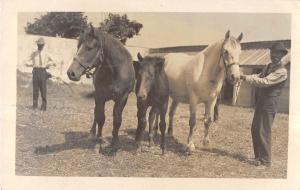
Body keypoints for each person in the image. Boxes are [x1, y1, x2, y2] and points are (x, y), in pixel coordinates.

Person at [240, 42, 288, 168]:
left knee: (264, 130)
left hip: (270, 102)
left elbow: (265, 82)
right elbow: (259, 76)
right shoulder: (268, 66)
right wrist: (245, 76)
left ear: (282, 55)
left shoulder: (282, 71)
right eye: (273, 52)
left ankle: (266, 160)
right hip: (262, 100)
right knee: (255, 128)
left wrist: (246, 78)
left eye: (278, 53)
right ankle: (258, 157)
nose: (274, 55)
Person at [25, 37, 56, 111]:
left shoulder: (46, 53)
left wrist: (48, 64)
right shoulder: (34, 53)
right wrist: (31, 64)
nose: (40, 46)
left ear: (44, 45)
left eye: (41, 45)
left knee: (43, 89)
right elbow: (26, 61)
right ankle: (35, 106)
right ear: (37, 45)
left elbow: (54, 61)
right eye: (39, 44)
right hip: (35, 71)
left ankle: (44, 106)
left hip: (43, 71)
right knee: (35, 89)